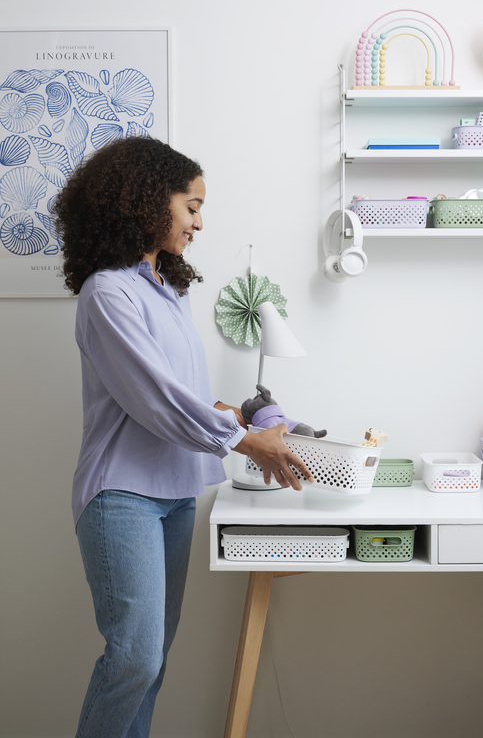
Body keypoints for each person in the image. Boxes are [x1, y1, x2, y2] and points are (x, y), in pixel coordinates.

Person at [54, 136, 314, 738]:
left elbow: (177, 392)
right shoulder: (107, 293)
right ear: (148, 201)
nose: (199, 222)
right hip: (121, 497)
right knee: (134, 659)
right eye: (191, 206)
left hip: (173, 494)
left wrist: (235, 416)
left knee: (153, 664)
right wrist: (244, 442)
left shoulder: (169, 291)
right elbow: (156, 398)